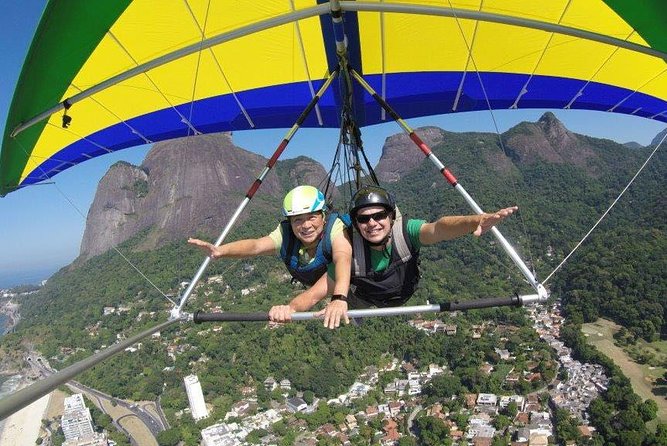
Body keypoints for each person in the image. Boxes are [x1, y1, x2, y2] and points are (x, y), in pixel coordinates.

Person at [269, 184, 518, 328]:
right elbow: (314, 294)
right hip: (365, 301)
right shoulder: (349, 249)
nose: (373, 223)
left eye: (379, 216)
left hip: (403, 290)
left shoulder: (405, 231)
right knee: (344, 309)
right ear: (355, 224)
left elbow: (439, 228)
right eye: (364, 219)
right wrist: (288, 309)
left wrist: (476, 220)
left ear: (391, 216)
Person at [188, 185, 351, 296]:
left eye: (312, 217)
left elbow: (343, 258)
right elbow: (256, 246)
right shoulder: (286, 233)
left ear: (323, 216)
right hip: (316, 284)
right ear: (290, 222)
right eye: (298, 220)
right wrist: (220, 251)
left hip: (346, 283)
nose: (306, 225)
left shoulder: (335, 227)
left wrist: (340, 297)